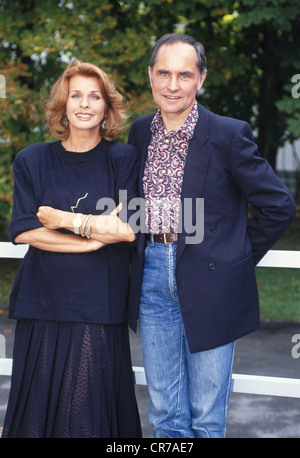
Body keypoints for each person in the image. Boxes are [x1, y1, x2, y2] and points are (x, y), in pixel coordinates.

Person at [128, 33, 296, 438]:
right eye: (164, 73)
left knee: (205, 417)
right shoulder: (139, 133)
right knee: (165, 414)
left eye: (184, 75)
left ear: (200, 79)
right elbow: (132, 204)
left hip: (212, 281)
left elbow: (280, 206)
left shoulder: (227, 134)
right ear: (150, 76)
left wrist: (233, 259)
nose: (173, 85)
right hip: (151, 275)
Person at [2, 59, 142, 438]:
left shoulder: (123, 159)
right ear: (62, 105)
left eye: (94, 96)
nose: (84, 104)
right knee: (38, 415)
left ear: (107, 107)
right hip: (42, 300)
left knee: (85, 416)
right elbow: (24, 231)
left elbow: (128, 230)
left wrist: (65, 220)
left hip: (99, 303)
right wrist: (92, 241)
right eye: (75, 95)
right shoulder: (31, 159)